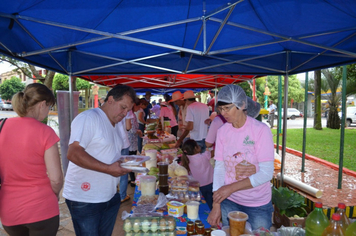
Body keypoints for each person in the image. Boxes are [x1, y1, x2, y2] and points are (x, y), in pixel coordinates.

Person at [63, 84, 134, 236]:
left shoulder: (115, 123)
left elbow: (107, 154)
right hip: (86, 198)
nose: (125, 113)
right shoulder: (89, 118)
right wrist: (109, 169)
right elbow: (73, 153)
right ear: (110, 100)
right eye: (123, 107)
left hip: (109, 195)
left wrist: (127, 162)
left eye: (128, 110)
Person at [207, 84, 274, 231]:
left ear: (242, 105)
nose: (223, 113)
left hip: (257, 204)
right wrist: (216, 204)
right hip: (229, 202)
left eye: (227, 108)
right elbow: (219, 168)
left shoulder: (260, 131)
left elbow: (266, 173)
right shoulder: (223, 131)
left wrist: (229, 188)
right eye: (220, 109)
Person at [0, 83, 63, 236]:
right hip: (42, 210)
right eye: (49, 107)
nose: (48, 112)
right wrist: (53, 194)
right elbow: (56, 179)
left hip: (9, 210)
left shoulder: (1, 126)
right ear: (42, 104)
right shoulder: (45, 132)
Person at [181, 139, 214, 210]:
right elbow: (211, 153)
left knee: (202, 202)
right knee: (210, 202)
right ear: (196, 148)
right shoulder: (204, 156)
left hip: (197, 186)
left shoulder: (187, 159)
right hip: (210, 183)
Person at [127, 99, 143, 187]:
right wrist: (138, 131)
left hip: (132, 141)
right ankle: (132, 179)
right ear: (134, 105)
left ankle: (132, 178)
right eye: (139, 106)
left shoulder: (132, 114)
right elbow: (132, 129)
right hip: (130, 141)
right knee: (131, 160)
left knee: (131, 160)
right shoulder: (131, 115)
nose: (139, 108)